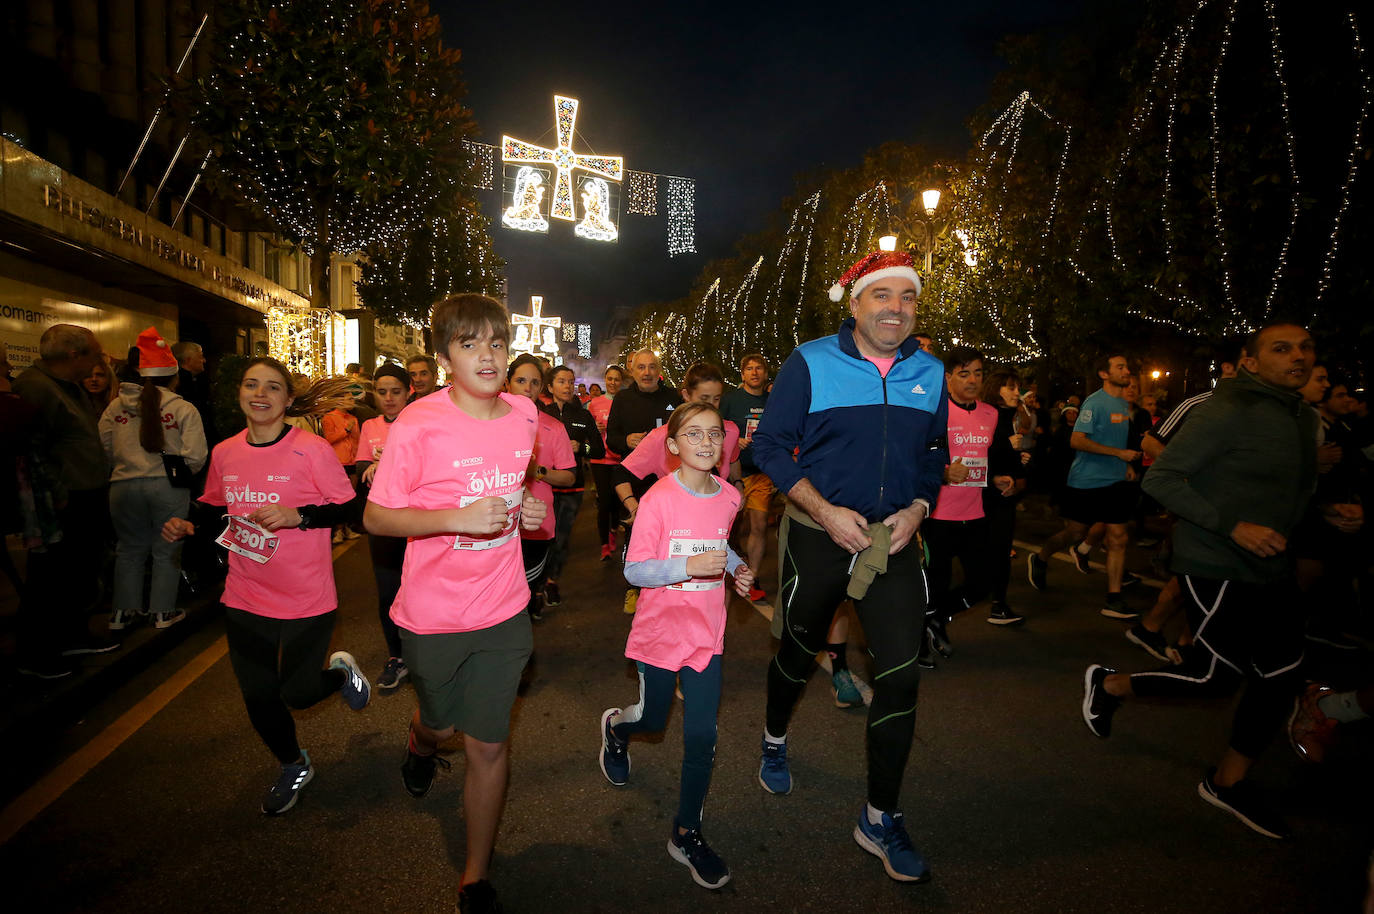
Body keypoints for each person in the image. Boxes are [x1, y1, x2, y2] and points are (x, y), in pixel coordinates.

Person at [752, 250, 947, 883]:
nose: (896, 308)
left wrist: (919, 507)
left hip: (892, 544)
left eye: (908, 298)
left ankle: (879, 816)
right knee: (797, 647)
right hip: (820, 537)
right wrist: (823, 509)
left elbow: (932, 456)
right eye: (882, 295)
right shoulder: (811, 361)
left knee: (901, 676)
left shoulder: (931, 372)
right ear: (856, 302)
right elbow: (770, 446)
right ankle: (775, 736)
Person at [1082, 322, 1319, 840]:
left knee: (1282, 675)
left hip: (1272, 567)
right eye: (1281, 349)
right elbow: (1161, 477)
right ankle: (1111, 684)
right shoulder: (1226, 411)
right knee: (1216, 678)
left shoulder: (1302, 415)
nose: (1297, 357)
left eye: (1305, 348)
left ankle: (1228, 783)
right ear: (1251, 362)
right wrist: (1233, 526)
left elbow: (1291, 492)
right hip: (1217, 563)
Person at [363, 294, 548, 914]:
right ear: (445, 358)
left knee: (488, 745)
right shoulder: (417, 422)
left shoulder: (525, 414)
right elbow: (377, 517)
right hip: (433, 612)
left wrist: (531, 509)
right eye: (469, 344)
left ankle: (475, 876)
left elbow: (520, 488)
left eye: (496, 341)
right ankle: (420, 739)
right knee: (443, 727)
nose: (487, 355)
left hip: (503, 606)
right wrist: (457, 518)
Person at [161, 358, 372, 815]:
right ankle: (293, 764)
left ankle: (340, 673)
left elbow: (351, 509)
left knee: (297, 693)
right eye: (251, 384)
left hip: (306, 595)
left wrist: (302, 516)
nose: (260, 394)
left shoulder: (311, 450)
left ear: (288, 399)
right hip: (245, 592)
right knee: (257, 694)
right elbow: (213, 503)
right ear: (240, 392)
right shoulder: (225, 451)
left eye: (272, 387)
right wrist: (187, 522)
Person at [598, 401, 753, 889]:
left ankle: (686, 832)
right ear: (672, 446)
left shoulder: (730, 497)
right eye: (693, 434)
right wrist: (689, 568)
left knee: (703, 737)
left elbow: (720, 546)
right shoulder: (658, 500)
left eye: (713, 434)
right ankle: (616, 730)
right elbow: (635, 569)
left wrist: (736, 568)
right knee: (652, 719)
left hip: (706, 635)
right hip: (661, 633)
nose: (706, 443)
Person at [14, 323, 116, 678]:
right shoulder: (35, 388)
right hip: (63, 500)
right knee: (51, 577)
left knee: (79, 572)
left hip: (86, 493)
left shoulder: (68, 387)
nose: (99, 360)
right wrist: (57, 494)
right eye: (95, 352)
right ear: (74, 355)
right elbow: (33, 449)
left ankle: (72, 635)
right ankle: (37, 652)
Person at [100, 328, 208, 631]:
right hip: (166, 486)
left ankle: (122, 613)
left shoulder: (115, 407)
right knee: (166, 550)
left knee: (129, 549)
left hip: (121, 486)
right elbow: (196, 456)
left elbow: (104, 446)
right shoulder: (181, 408)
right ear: (174, 375)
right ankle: (162, 611)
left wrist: (123, 467)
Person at [1027, 353, 1141, 620]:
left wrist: (1124, 464)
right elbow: (1077, 440)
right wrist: (1117, 454)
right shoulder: (1095, 403)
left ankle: (1113, 598)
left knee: (1118, 537)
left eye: (1127, 366)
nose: (1126, 371)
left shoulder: (1124, 405)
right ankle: (1041, 558)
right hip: (1086, 481)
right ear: (1104, 373)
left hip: (1115, 482)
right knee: (1075, 533)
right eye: (1120, 367)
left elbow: (1120, 443)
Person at [607, 349, 682, 613]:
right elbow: (611, 439)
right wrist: (626, 440)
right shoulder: (623, 399)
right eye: (641, 367)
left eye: (652, 367)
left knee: (670, 533)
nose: (647, 372)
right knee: (636, 531)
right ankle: (633, 587)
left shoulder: (674, 397)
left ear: (658, 369)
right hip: (634, 477)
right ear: (633, 371)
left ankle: (667, 584)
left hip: (670, 476)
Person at [354, 363, 412, 691]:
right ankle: (396, 656)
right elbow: (361, 466)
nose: (388, 398)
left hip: (420, 522)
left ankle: (426, 652)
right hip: (382, 523)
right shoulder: (370, 426)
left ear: (409, 392)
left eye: (396, 391)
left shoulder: (421, 422)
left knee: (421, 589)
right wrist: (371, 468)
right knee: (388, 592)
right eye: (382, 391)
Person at [506, 356, 575, 621]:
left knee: (524, 591)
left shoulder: (553, 427)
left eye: (534, 382)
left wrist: (539, 472)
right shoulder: (488, 423)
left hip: (536, 525)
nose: (527, 388)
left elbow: (569, 477)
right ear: (507, 382)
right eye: (520, 380)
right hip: (494, 524)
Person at [540, 363, 604, 607]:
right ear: (550, 386)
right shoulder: (542, 414)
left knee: (561, 538)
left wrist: (582, 447)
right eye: (561, 381)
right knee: (541, 537)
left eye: (570, 382)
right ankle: (536, 583)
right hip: (542, 485)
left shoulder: (582, 415)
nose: (567, 386)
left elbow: (597, 448)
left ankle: (551, 581)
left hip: (572, 487)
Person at [719, 353, 773, 603]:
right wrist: (734, 441)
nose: (754, 373)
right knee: (728, 529)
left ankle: (753, 575)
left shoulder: (774, 401)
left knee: (759, 525)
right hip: (733, 473)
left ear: (765, 373)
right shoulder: (731, 400)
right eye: (749, 369)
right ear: (742, 374)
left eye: (758, 368)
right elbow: (718, 428)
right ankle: (726, 571)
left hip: (762, 473)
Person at [587, 365, 625, 561]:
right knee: (604, 502)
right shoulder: (594, 403)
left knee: (617, 501)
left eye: (616, 379)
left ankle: (612, 530)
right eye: (609, 379)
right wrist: (594, 428)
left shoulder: (625, 403)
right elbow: (587, 433)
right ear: (605, 380)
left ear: (622, 381)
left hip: (619, 459)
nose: (612, 382)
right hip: (600, 459)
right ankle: (604, 545)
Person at [323, 397, 362, 543]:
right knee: (338, 498)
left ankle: (347, 528)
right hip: (338, 462)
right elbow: (329, 439)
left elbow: (357, 440)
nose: (353, 401)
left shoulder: (353, 418)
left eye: (353, 398)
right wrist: (346, 430)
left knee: (351, 497)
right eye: (349, 398)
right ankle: (338, 531)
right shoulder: (329, 417)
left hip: (353, 461)